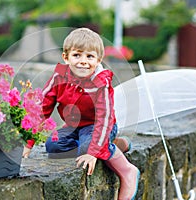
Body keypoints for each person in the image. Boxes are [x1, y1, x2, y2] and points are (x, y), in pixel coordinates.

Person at [23, 28, 140, 199]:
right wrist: (29, 141)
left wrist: (93, 152)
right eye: (77, 55)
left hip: (100, 126)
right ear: (66, 57)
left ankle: (127, 170)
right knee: (53, 146)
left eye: (90, 57)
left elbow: (104, 119)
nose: (83, 61)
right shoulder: (58, 78)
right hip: (73, 126)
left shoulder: (101, 84)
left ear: (98, 59)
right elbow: (43, 108)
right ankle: (110, 144)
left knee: (87, 147)